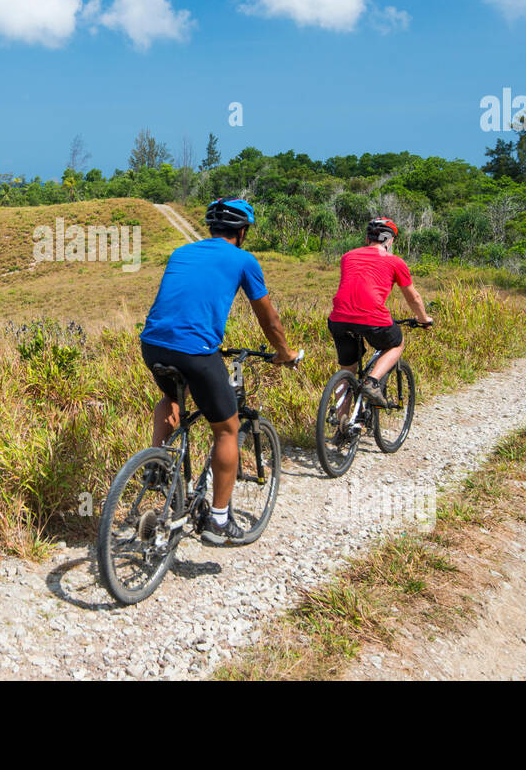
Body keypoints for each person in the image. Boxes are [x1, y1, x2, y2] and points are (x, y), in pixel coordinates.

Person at [139, 197, 298, 545]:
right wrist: (284, 353)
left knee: (170, 396)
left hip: (152, 344)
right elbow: (267, 318)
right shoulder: (244, 260)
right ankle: (219, 521)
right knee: (227, 429)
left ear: (212, 228)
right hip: (195, 351)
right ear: (242, 231)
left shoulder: (181, 252)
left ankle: (156, 466)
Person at [327, 217, 432, 409]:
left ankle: (342, 428)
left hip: (339, 319)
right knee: (396, 343)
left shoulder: (348, 256)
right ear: (390, 240)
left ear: (367, 239)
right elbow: (413, 298)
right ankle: (373, 382)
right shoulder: (395, 261)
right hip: (372, 318)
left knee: (347, 372)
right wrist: (423, 319)